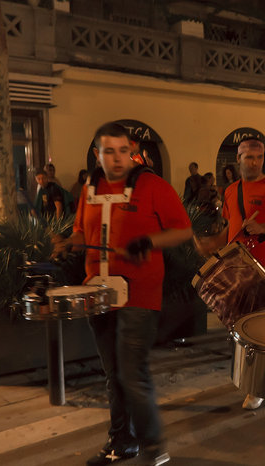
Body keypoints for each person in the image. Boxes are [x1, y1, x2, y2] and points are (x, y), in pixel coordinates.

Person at [67, 122, 192, 466]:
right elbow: (81, 230)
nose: (118, 158)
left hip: (140, 294)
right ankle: (121, 442)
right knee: (113, 374)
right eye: (109, 151)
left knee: (131, 373)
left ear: (132, 151)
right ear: (97, 154)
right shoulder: (89, 187)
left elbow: (183, 230)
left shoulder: (152, 185)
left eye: (124, 150)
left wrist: (149, 241)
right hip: (98, 292)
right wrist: (69, 244)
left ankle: (154, 448)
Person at [221, 136, 265, 410]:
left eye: (259, 157)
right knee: (241, 328)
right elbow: (230, 226)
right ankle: (254, 381)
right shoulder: (230, 190)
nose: (254, 162)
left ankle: (263, 386)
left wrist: (264, 228)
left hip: (264, 268)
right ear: (238, 159)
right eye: (248, 157)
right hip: (236, 267)